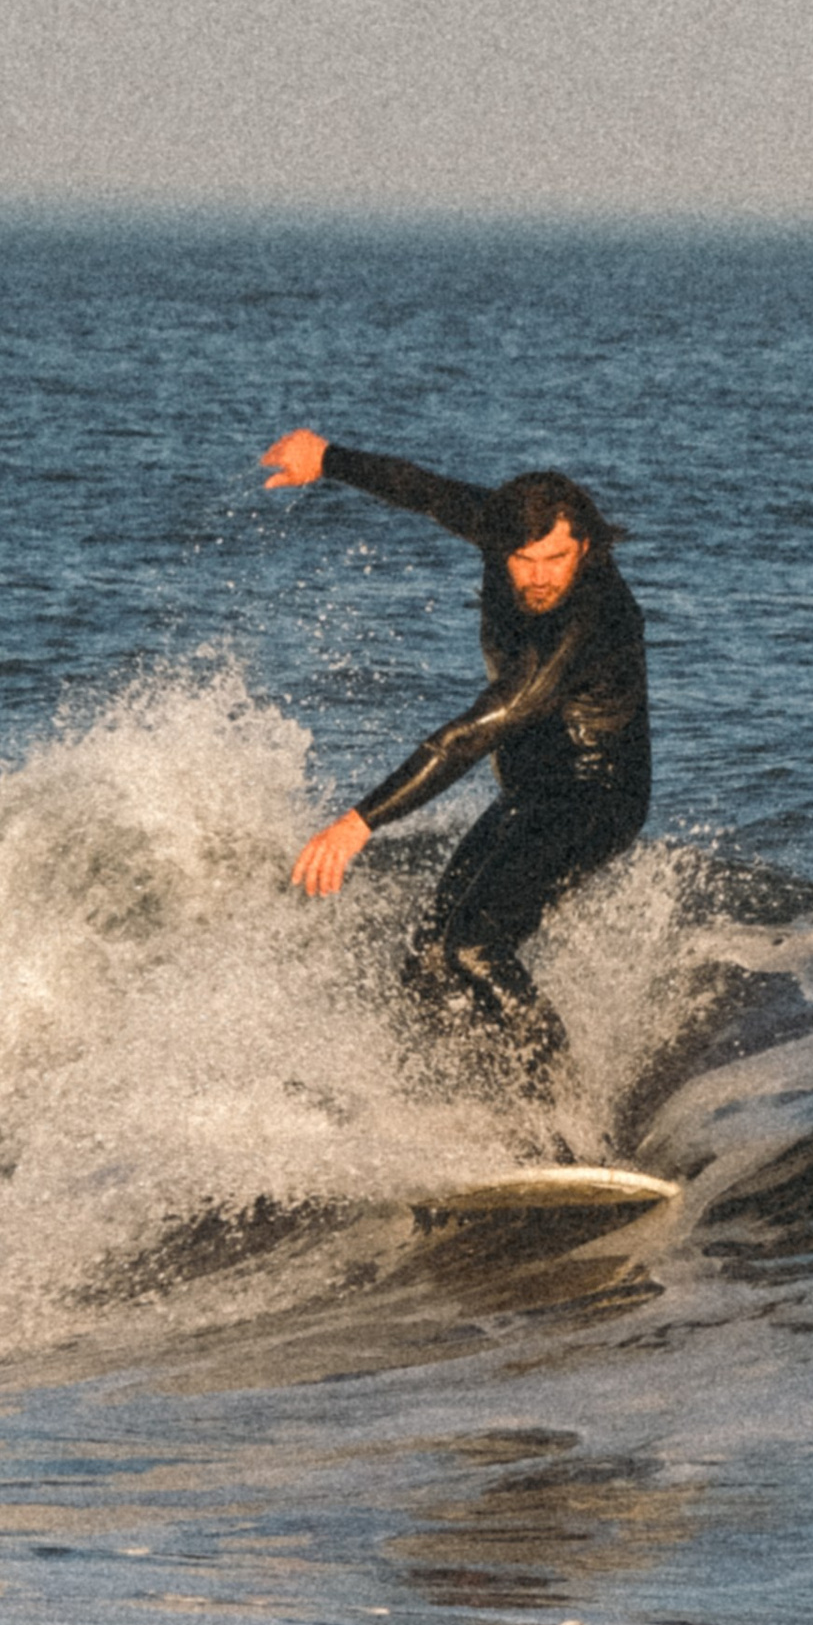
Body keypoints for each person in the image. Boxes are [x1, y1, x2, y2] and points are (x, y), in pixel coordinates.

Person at [261, 427, 651, 1114]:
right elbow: (426, 491)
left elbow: (477, 732)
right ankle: (480, 1106)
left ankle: (568, 1119)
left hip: (598, 795)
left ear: (583, 546)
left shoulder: (590, 617)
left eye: (555, 559)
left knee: (475, 947)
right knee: (426, 963)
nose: (537, 577)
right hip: (529, 794)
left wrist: (360, 822)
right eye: (522, 560)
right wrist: (326, 460)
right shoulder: (503, 529)